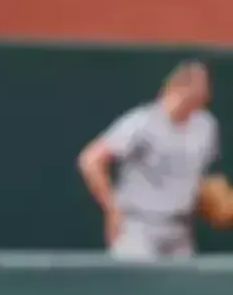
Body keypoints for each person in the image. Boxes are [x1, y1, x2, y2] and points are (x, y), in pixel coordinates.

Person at [77, 60, 220, 261]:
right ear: (173, 88)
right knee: (136, 288)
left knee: (182, 290)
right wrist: (112, 209)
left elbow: (194, 176)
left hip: (180, 230)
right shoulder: (142, 122)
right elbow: (90, 160)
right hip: (138, 227)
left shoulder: (205, 127)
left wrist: (210, 200)